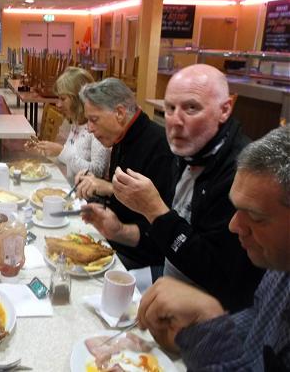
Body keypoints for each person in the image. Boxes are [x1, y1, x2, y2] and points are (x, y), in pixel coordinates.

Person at [85, 64, 264, 311]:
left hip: (206, 310)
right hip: (166, 276)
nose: (175, 121)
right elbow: (162, 240)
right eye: (170, 108)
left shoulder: (241, 174)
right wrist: (118, 230)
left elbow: (220, 277)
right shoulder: (186, 153)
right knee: (87, 293)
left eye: (191, 108)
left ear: (225, 109)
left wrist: (155, 211)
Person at [137, 126, 290, 371]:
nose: (234, 225)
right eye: (170, 108)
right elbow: (255, 325)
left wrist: (208, 319)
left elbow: (215, 268)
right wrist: (195, 333)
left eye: (256, 217)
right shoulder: (279, 269)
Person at [77, 77, 174, 270]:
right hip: (115, 237)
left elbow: (161, 227)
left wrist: (110, 188)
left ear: (120, 113)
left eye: (93, 119)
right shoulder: (121, 138)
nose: (89, 128)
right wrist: (98, 185)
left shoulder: (160, 146)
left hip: (140, 256)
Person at [26, 67, 110, 185]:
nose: (58, 104)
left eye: (63, 99)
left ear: (78, 99)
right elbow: (69, 162)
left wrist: (62, 151)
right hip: (73, 190)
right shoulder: (76, 124)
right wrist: (44, 151)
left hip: (88, 199)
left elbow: (97, 172)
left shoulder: (96, 129)